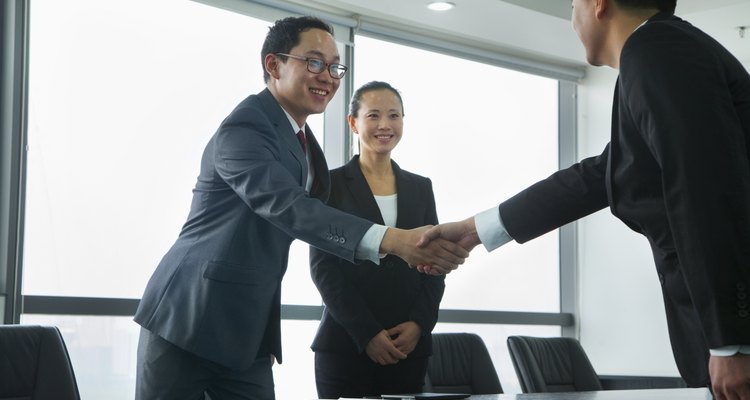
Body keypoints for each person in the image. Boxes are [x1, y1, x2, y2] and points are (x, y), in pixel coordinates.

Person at [418, 0, 750, 398]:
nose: (571, 17)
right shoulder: (660, 51)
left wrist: (732, 341)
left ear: (598, 4)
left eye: (573, 3)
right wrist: (475, 229)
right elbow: (601, 175)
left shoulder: (658, 51)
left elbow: (706, 191)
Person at [133, 16, 467, 400]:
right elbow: (288, 207)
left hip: (247, 334)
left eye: (334, 66)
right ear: (273, 65)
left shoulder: (303, 142)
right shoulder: (245, 128)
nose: (327, 76)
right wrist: (392, 240)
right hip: (189, 319)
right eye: (313, 62)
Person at [309, 81, 445, 398]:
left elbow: (436, 263)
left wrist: (419, 325)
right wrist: (366, 333)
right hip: (346, 345)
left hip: (406, 348)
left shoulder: (420, 187)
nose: (385, 125)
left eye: (394, 115)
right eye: (374, 115)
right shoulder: (330, 184)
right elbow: (323, 268)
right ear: (354, 123)